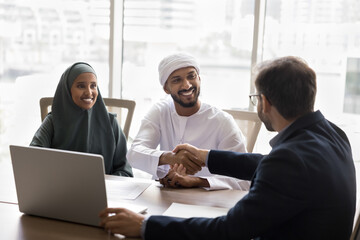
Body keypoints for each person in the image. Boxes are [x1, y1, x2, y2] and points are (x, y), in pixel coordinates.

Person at [99, 56, 356, 239]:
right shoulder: (331, 134)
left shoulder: (288, 161)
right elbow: (266, 164)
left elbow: (228, 231)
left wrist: (146, 225)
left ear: (264, 103)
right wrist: (207, 157)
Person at [127, 53, 248, 190]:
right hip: (164, 195)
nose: (187, 85)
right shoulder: (160, 111)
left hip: (208, 200)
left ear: (199, 79)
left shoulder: (222, 121)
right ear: (166, 88)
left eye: (191, 76)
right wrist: (170, 157)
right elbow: (134, 154)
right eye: (177, 80)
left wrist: (196, 181)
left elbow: (244, 179)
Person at [30, 62, 133, 177]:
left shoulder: (110, 123)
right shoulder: (53, 121)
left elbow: (125, 171)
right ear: (68, 90)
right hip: (61, 191)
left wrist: (103, 184)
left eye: (93, 86)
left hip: (104, 192)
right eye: (81, 86)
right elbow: (34, 159)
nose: (89, 92)